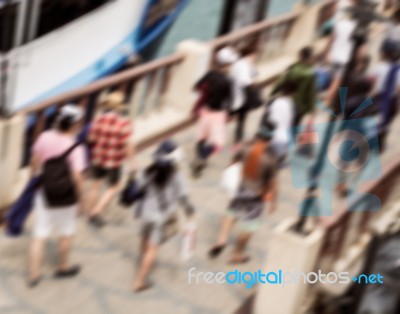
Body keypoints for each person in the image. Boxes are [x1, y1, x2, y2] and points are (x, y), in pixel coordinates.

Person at [28, 104, 87, 287]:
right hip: (66, 197)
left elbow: (35, 162)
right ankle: (63, 266)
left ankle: (33, 275)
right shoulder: (76, 148)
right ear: (75, 124)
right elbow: (78, 177)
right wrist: (81, 199)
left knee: (40, 234)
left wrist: (34, 178)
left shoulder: (44, 137)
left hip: (45, 192)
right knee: (66, 232)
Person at [208, 122, 279, 264]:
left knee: (231, 213)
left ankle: (221, 240)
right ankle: (237, 253)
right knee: (249, 225)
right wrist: (273, 201)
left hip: (240, 189)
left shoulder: (245, 147)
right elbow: (273, 182)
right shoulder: (270, 158)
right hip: (256, 196)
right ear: (271, 139)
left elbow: (232, 163)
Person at [133, 140, 195, 292]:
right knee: (153, 249)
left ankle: (143, 259)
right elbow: (183, 198)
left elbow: (138, 189)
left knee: (144, 237)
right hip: (161, 216)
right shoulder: (177, 175)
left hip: (145, 212)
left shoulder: (148, 171)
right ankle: (139, 281)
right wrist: (190, 214)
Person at [87, 91, 135, 227]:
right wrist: (132, 163)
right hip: (115, 160)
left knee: (95, 185)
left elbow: (91, 139)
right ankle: (96, 211)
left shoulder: (98, 119)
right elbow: (127, 145)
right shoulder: (124, 123)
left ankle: (91, 211)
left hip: (98, 157)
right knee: (114, 187)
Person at [191, 46, 236, 178]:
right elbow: (230, 99)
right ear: (228, 64)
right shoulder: (228, 81)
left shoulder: (210, 75)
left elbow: (196, 87)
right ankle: (203, 156)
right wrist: (230, 114)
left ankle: (199, 156)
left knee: (202, 136)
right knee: (216, 141)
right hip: (218, 114)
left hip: (205, 110)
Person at [271, 47, 317, 128]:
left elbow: (281, 82)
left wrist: (273, 92)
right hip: (299, 106)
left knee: (279, 124)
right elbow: (311, 93)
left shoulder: (293, 69)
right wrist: (312, 110)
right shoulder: (310, 74)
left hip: (286, 99)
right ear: (310, 58)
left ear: (300, 56)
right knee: (293, 127)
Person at [230, 45, 258, 146]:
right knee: (241, 119)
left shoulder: (239, 63)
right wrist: (253, 83)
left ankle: (238, 139)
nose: (255, 56)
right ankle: (238, 141)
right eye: (254, 54)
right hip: (242, 97)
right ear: (250, 54)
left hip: (236, 95)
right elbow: (245, 81)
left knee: (239, 118)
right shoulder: (244, 65)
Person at [268, 80, 297, 161]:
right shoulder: (291, 104)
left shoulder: (274, 102)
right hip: (285, 140)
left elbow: (271, 120)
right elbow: (291, 122)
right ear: (293, 92)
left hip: (273, 139)